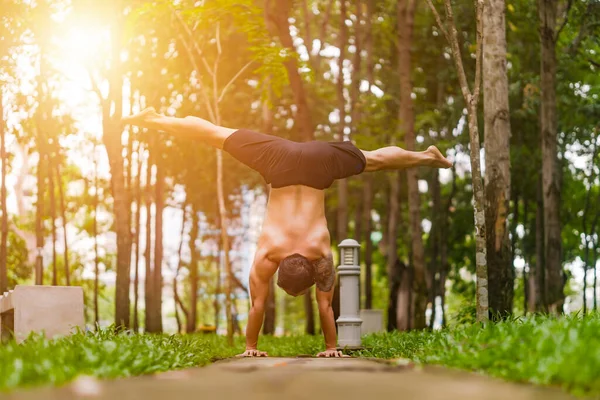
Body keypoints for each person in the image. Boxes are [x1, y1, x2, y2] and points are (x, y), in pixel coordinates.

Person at [122, 108, 452, 357]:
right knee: (214, 135)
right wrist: (249, 346)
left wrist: (330, 347)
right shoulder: (269, 253)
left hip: (314, 163)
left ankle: (426, 157)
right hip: (279, 162)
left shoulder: (319, 253)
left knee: (374, 160)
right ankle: (426, 155)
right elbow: (257, 307)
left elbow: (324, 308)